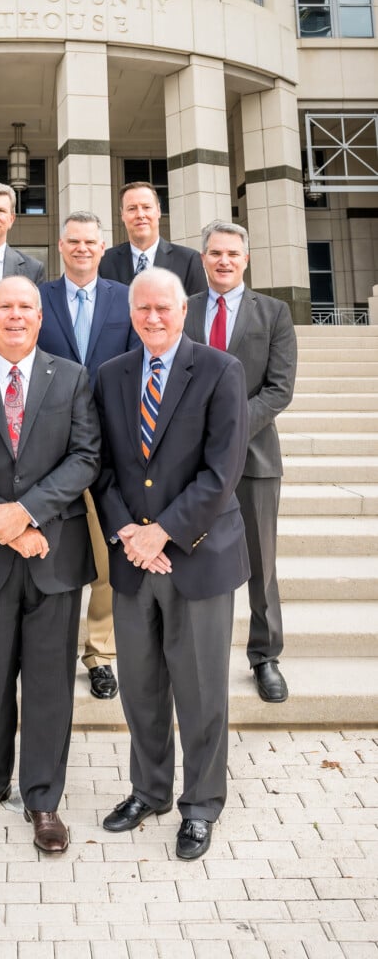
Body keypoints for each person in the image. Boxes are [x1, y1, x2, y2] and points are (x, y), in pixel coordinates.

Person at [0, 276, 100, 854]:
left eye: (25, 307)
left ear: (39, 317)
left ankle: (43, 797)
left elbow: (86, 457)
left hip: (54, 554)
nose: (14, 316)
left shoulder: (73, 377)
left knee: (52, 682)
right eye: (4, 306)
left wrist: (27, 515)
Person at [93, 267, 249, 860]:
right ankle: (149, 790)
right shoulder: (110, 375)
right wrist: (130, 533)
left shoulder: (220, 371)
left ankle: (201, 804)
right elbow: (102, 466)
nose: (153, 318)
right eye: (142, 310)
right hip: (134, 558)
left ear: (183, 312)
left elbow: (222, 471)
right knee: (141, 686)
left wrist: (164, 532)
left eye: (163, 308)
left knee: (202, 689)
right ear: (130, 313)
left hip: (198, 557)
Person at [185, 219, 297, 703]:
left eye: (232, 253)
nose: (224, 261)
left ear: (245, 258)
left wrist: (228, 430)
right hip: (187, 462)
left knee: (260, 562)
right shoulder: (183, 310)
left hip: (253, 458)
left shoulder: (273, 313)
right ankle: (192, 655)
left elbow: (279, 389)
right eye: (215, 253)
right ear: (204, 258)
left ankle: (265, 656)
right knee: (192, 558)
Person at [38, 211, 139, 701]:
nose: (82, 248)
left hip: (110, 447)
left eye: (90, 242)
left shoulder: (126, 299)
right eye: (73, 241)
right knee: (50, 555)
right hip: (47, 448)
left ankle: (100, 653)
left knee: (105, 555)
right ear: (61, 246)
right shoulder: (39, 298)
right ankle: (46, 651)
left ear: (103, 248)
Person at [99, 181, 207, 297]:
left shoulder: (188, 260)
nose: (140, 215)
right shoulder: (104, 262)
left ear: (158, 211)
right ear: (122, 215)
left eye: (146, 207)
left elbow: (198, 311)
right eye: (132, 209)